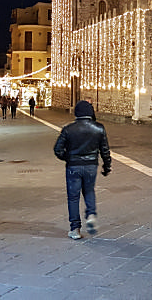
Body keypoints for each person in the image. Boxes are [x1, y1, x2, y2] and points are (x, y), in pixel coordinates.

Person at [53, 100, 111, 240]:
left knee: (73, 197)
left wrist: (68, 158)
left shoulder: (68, 129)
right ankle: (91, 214)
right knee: (89, 191)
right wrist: (107, 165)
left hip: (73, 166)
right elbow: (105, 150)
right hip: (91, 165)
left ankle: (75, 229)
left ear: (77, 113)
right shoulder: (99, 128)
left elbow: (57, 149)